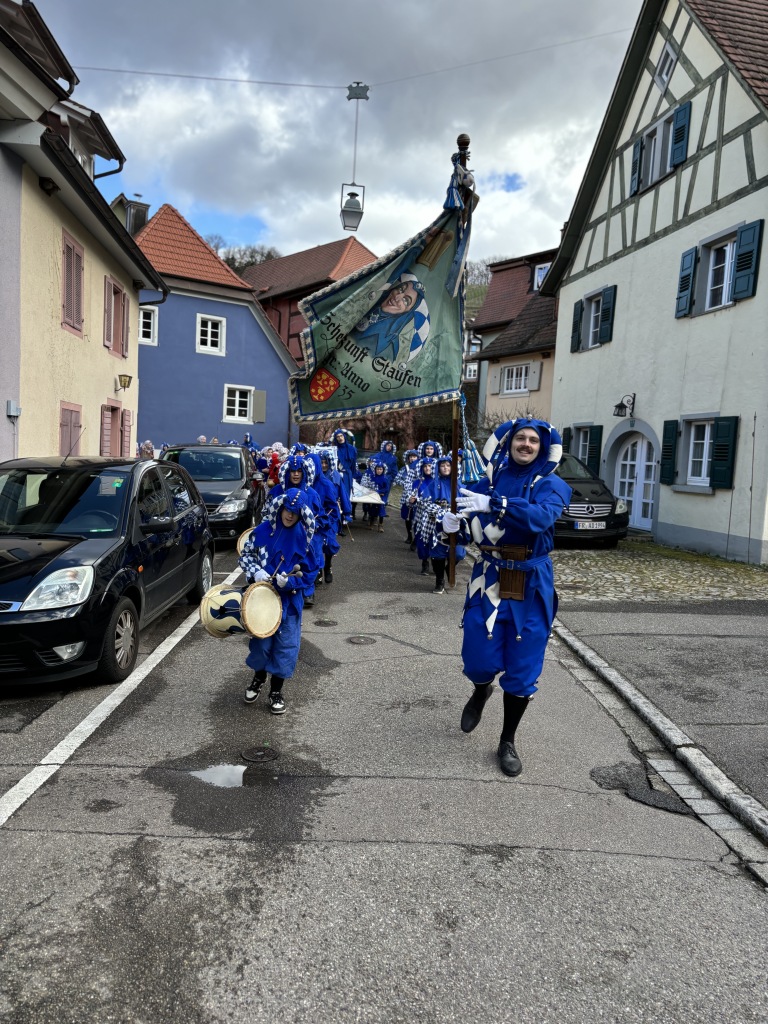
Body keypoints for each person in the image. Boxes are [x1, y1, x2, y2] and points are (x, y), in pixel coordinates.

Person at [441, 418, 572, 778]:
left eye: (533, 440)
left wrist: (495, 504)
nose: (526, 444)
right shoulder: (485, 483)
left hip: (531, 584)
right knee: (478, 656)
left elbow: (540, 518)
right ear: (508, 443)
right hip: (489, 577)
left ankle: (507, 740)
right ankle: (481, 690)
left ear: (543, 448)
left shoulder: (553, 485)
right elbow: (469, 526)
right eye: (520, 438)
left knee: (523, 665)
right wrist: (451, 526)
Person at [238, 489, 316, 713]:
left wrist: (289, 584)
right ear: (280, 508)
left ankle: (276, 691)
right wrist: (256, 572)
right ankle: (259, 677)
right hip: (262, 599)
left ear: (301, 515)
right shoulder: (264, 530)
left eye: (295, 512)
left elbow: (310, 575)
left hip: (289, 603)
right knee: (262, 645)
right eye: (287, 510)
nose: (290, 516)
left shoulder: (307, 539)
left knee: (286, 648)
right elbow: (246, 556)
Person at [348, 272, 430, 365]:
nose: (397, 296)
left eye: (406, 300)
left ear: (407, 312)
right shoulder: (368, 305)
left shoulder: (388, 347)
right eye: (400, 289)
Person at [423, 454, 465, 595]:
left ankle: (449, 569)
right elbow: (425, 502)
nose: (445, 468)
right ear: (438, 468)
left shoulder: (459, 485)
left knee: (458, 553)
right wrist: (438, 512)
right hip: (438, 524)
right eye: (442, 465)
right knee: (438, 553)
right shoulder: (433, 484)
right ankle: (439, 581)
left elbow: (466, 503)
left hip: (456, 523)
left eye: (448, 465)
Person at [409, 457, 436, 574]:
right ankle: (425, 562)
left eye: (429, 466)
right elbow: (410, 497)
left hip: (434, 516)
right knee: (421, 540)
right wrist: (411, 500)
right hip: (420, 515)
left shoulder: (437, 481)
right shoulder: (417, 482)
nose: (427, 468)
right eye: (425, 466)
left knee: (434, 541)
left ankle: (436, 564)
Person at [330, 428, 359, 526]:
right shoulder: (334, 449)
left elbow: (354, 463)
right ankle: (336, 517)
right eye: (337, 437)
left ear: (344, 436)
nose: (340, 438)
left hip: (347, 474)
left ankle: (345, 516)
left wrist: (353, 476)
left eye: (341, 436)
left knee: (345, 494)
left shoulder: (351, 449)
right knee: (336, 494)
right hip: (337, 474)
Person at [396, 449, 419, 545]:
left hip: (417, 496)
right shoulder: (404, 469)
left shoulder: (420, 468)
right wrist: (405, 483)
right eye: (411, 457)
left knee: (416, 518)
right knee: (407, 517)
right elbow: (397, 479)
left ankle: (415, 539)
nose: (412, 458)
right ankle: (409, 536)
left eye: (414, 457)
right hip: (406, 495)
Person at [364, 458, 392, 531]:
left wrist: (379, 491)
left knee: (381, 509)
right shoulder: (372, 477)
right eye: (378, 469)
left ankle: (380, 525)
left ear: (383, 470)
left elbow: (386, 488)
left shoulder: (385, 478)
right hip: (373, 495)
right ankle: (371, 522)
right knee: (373, 509)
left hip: (382, 496)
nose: (379, 471)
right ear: (375, 469)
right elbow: (369, 486)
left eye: (380, 469)